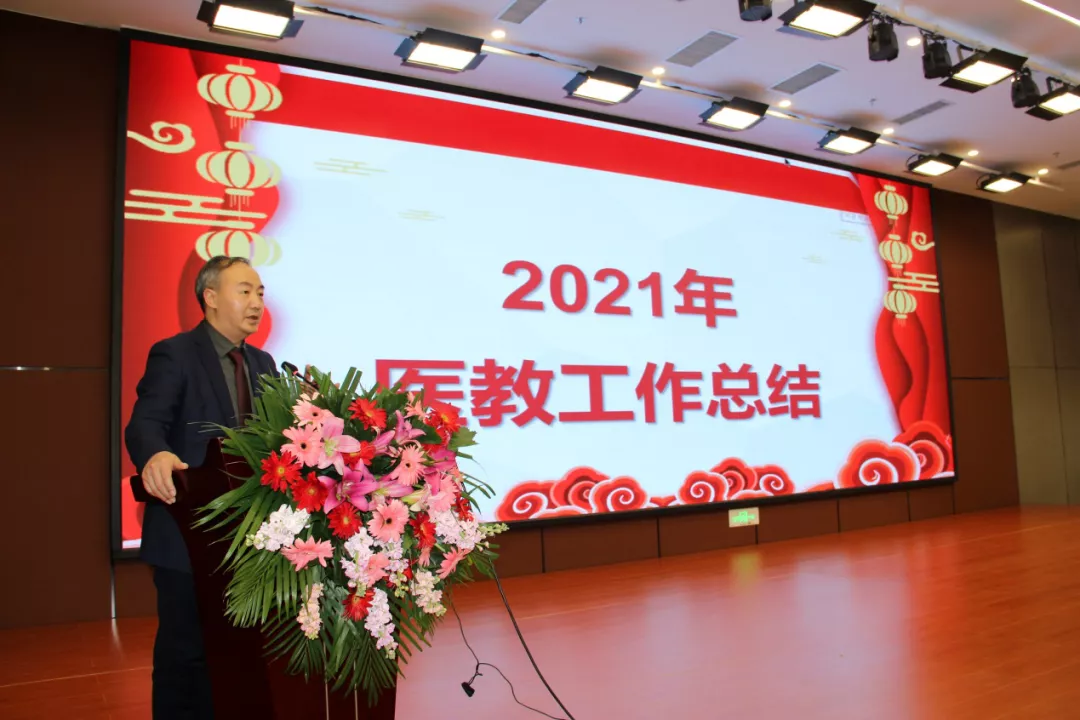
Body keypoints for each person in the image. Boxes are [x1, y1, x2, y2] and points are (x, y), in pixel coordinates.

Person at [125, 255, 278, 719]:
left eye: (260, 293)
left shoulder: (264, 363)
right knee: (185, 657)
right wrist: (155, 454)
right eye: (244, 291)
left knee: (240, 658)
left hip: (249, 541)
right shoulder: (175, 353)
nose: (256, 302)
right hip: (187, 535)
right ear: (210, 297)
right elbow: (145, 423)